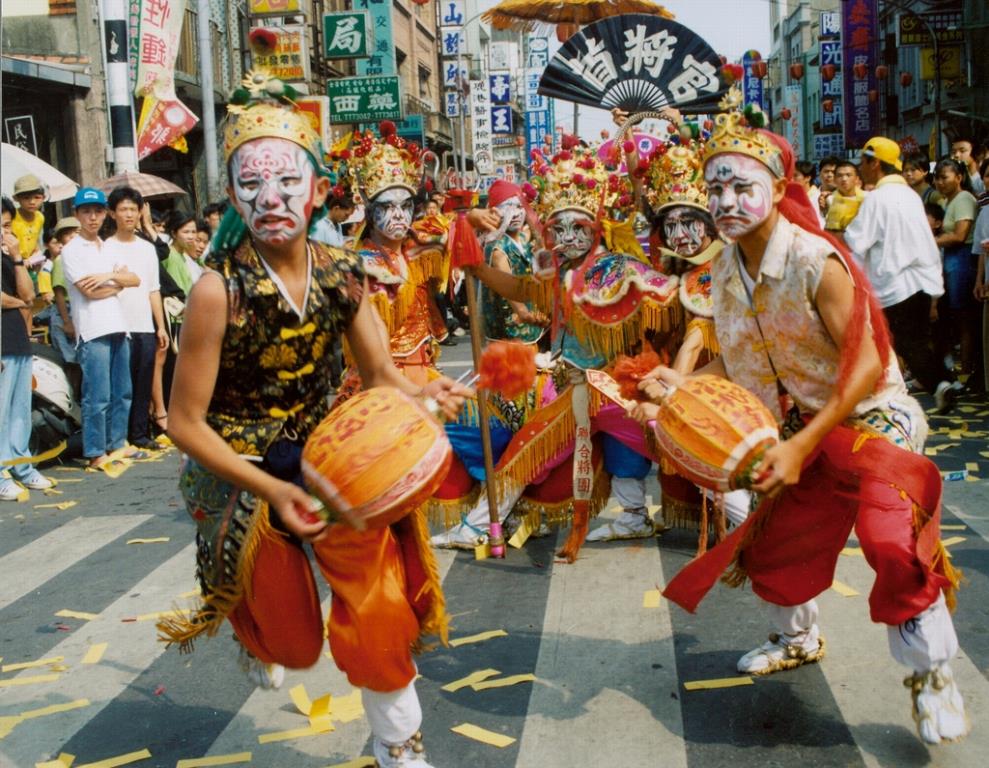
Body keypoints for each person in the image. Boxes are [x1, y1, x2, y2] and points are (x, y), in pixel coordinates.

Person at [158, 71, 469, 768]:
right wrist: (273, 491)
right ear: (234, 195)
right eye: (252, 184)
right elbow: (184, 423)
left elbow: (382, 372)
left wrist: (424, 393)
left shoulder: (342, 273)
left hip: (333, 460)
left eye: (287, 182)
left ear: (319, 189)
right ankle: (254, 622)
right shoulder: (217, 290)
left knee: (379, 607)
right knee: (294, 647)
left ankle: (400, 747)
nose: (271, 199)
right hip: (247, 476)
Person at [639, 89, 966, 746]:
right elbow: (733, 366)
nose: (725, 201)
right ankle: (796, 638)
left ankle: (930, 674)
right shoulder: (722, 275)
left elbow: (866, 368)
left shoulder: (818, 262)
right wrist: (678, 384)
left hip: (873, 419)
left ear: (775, 185)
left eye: (740, 186)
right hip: (796, 431)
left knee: (887, 538)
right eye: (715, 188)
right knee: (769, 541)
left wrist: (800, 445)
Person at [843, 137, 956, 413]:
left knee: (898, 343)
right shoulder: (911, 197)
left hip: (890, 286)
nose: (861, 166)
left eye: (864, 161)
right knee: (912, 341)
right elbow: (926, 241)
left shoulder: (876, 200)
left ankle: (931, 384)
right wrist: (935, 286)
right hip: (919, 282)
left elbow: (856, 241)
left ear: (875, 163)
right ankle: (940, 382)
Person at [60, 187, 145, 470]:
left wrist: (108, 277)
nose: (93, 217)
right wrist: (116, 283)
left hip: (120, 324)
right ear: (76, 215)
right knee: (98, 394)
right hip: (93, 328)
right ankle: (96, 450)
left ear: (105, 213)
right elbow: (89, 292)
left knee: (123, 390)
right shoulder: (71, 250)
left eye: (97, 211)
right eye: (86, 211)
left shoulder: (107, 246)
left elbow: (134, 279)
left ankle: (117, 443)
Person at [104, 187, 169, 450]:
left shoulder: (146, 248)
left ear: (140, 212)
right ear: (112, 213)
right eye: (123, 209)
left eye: (133, 209)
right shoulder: (107, 247)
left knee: (143, 381)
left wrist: (160, 326)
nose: (129, 214)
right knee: (122, 385)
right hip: (118, 324)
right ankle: (119, 437)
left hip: (144, 323)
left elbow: (153, 289)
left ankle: (140, 434)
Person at [1, 195, 56, 500]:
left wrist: (18, 258)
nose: (4, 231)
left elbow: (28, 294)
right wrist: (17, 302)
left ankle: (21, 465)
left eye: (7, 225)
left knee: (19, 410)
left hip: (16, 340)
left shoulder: (9, 257)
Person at [934, 158, 981, 390]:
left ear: (959, 178)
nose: (940, 182)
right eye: (938, 178)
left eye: (945, 177)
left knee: (963, 317)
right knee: (953, 316)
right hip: (951, 258)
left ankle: (965, 370)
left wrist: (929, 241)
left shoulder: (963, 199)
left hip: (961, 257)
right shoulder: (947, 200)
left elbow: (960, 235)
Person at [11, 174, 46, 264]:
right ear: (16, 199)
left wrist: (35, 255)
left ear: (43, 198)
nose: (32, 202)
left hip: (31, 261)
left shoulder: (40, 217)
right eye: (26, 198)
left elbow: (36, 240)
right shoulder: (11, 216)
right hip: (13, 260)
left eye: (37, 197)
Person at [824, 159, 865, 233]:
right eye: (840, 176)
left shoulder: (866, 198)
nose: (844, 179)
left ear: (857, 179)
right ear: (835, 179)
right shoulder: (829, 199)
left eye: (848, 175)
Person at [793, 160, 824, 226]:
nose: (791, 179)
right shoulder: (792, 197)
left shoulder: (818, 198)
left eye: (795, 176)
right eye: (790, 176)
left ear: (808, 178)